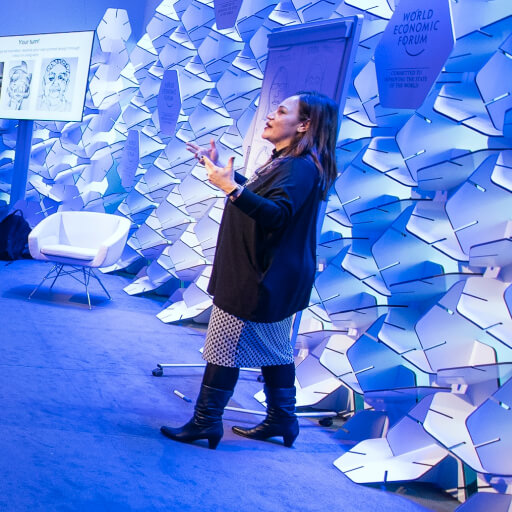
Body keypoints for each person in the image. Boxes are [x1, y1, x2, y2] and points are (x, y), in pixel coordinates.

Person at [160, 91, 339, 449]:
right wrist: (224, 174)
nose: (271, 115)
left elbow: (277, 215)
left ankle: (206, 422)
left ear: (304, 125)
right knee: (274, 349)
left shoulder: (299, 167)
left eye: (282, 111)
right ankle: (282, 419)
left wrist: (229, 186)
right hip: (275, 276)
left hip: (260, 277)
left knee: (223, 348)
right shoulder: (294, 163)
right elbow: (267, 197)